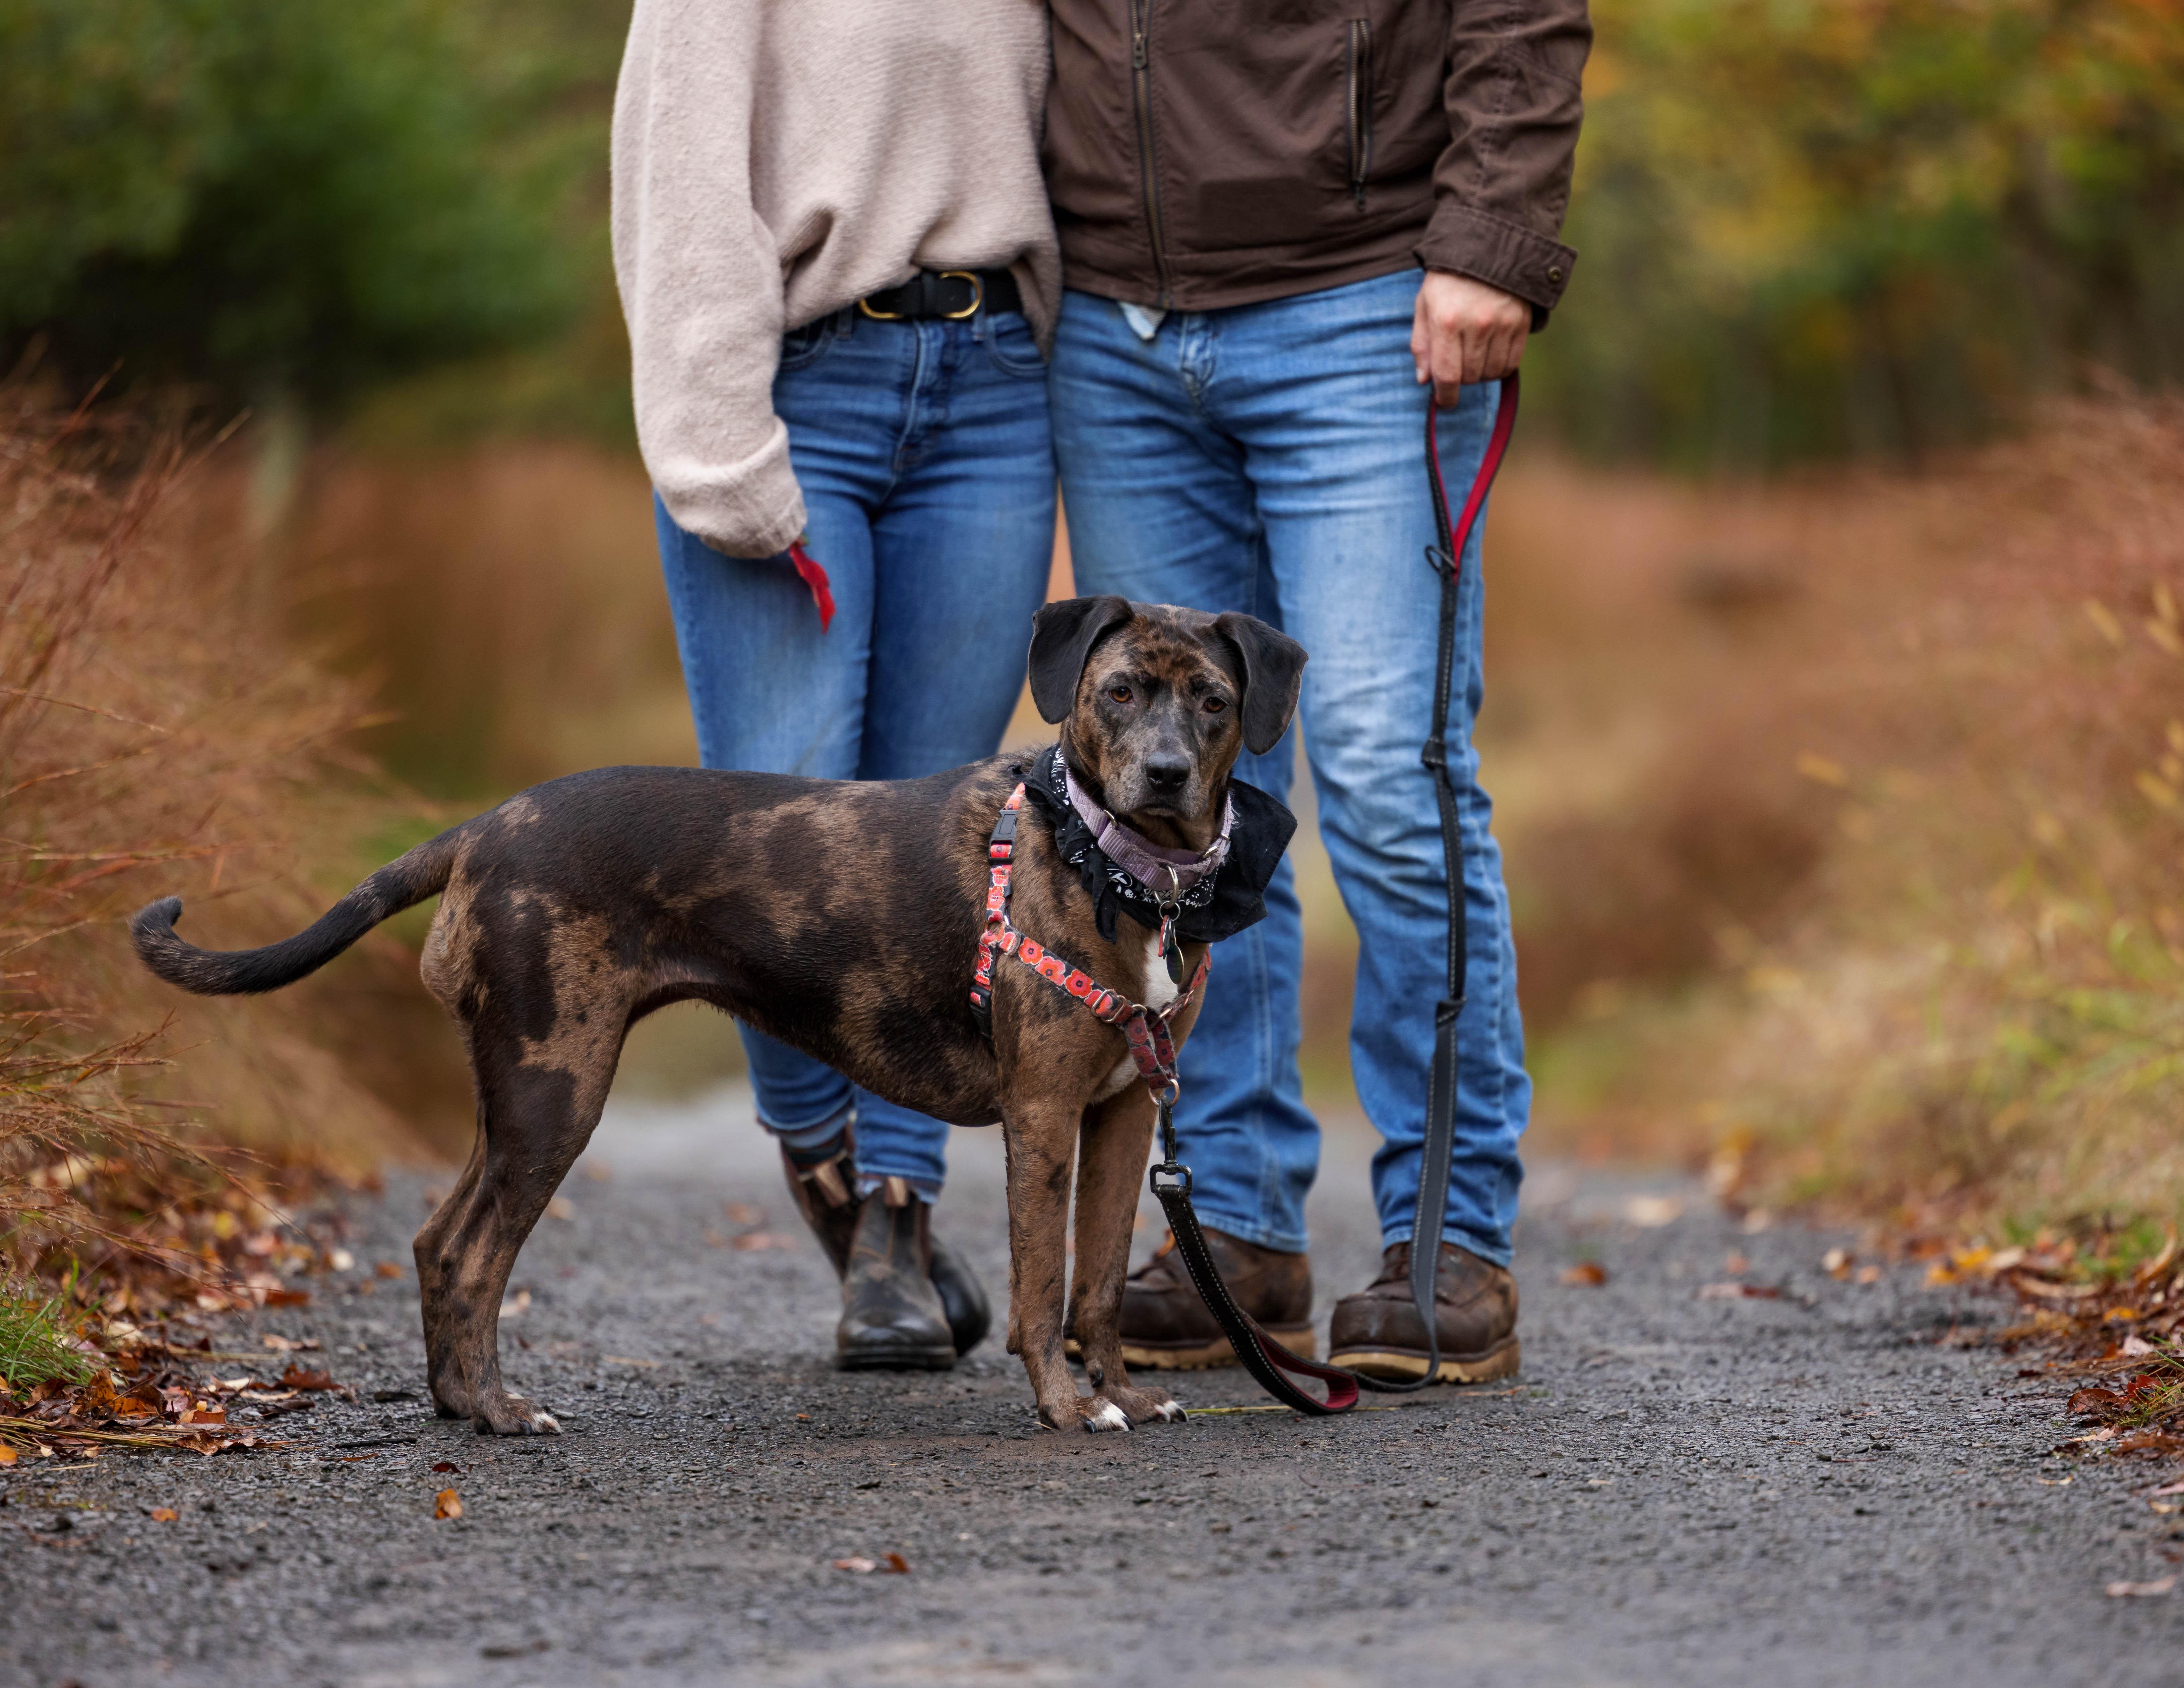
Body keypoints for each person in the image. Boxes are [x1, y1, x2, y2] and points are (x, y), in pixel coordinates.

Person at [1042, 0, 1590, 1379]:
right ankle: (1233, 1226)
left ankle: (1447, 1242)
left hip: (1364, 305)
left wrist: (1494, 241)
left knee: (1389, 778)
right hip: (1114, 324)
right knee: (1178, 805)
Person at [610, 0, 1059, 1369]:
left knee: (950, 838)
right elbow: (680, 171)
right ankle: (830, 1175)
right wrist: (716, 445)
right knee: (784, 833)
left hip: (993, 393)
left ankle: (900, 1212)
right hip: (805, 387)